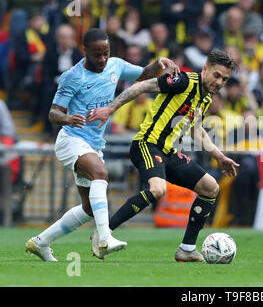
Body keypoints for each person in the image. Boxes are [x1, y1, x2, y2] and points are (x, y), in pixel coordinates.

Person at [25, 28, 179, 261]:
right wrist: (68, 118)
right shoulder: (73, 76)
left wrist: (159, 64)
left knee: (88, 209)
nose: (102, 59)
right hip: (71, 140)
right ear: (84, 50)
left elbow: (143, 74)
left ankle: (40, 242)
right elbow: (53, 113)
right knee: (101, 173)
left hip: (94, 144)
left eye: (106, 53)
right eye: (97, 54)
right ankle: (105, 237)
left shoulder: (115, 65)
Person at [87, 49, 240, 262]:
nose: (219, 82)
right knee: (158, 189)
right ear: (205, 69)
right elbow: (142, 86)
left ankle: (186, 249)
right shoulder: (184, 81)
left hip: (168, 151)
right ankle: (103, 234)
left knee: (210, 188)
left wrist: (219, 156)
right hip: (147, 144)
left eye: (224, 79)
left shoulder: (205, 98)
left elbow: (196, 130)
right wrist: (109, 109)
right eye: (216, 75)